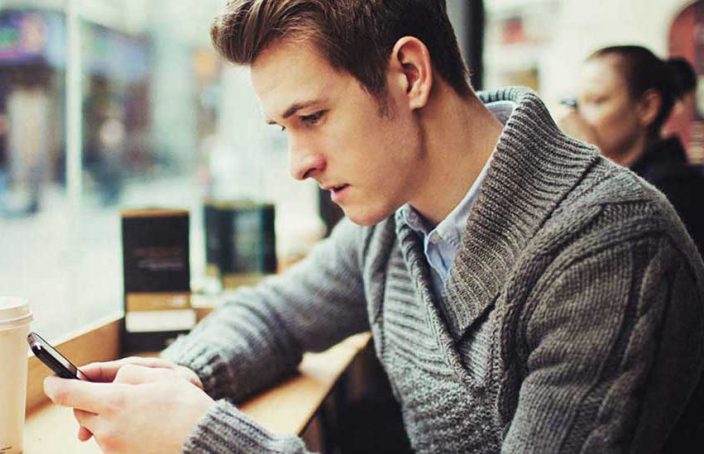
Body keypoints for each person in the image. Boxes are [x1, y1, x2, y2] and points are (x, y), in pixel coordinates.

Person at [44, 2, 704, 453]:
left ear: (409, 74)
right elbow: (277, 313)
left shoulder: (615, 252)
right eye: (285, 130)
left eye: (312, 117)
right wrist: (173, 380)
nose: (299, 164)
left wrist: (205, 437)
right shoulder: (394, 218)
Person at [559, 45, 704, 255]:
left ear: (647, 107)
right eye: (577, 103)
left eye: (596, 101)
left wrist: (589, 161)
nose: (577, 117)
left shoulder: (674, 188)